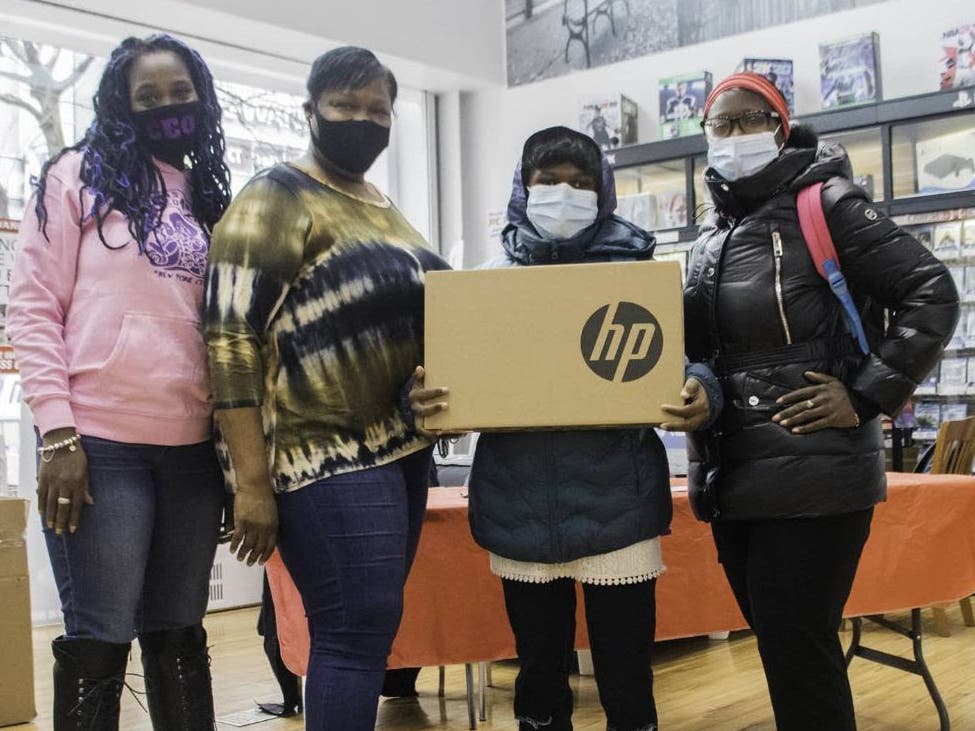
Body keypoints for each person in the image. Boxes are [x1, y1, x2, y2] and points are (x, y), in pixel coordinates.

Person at [412, 126, 722, 731]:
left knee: (627, 672)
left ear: (602, 192)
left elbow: (689, 358)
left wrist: (701, 389)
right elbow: (447, 374)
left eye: (580, 183)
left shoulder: (640, 274)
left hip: (618, 502)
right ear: (522, 188)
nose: (563, 193)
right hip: (519, 506)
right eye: (547, 181)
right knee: (538, 676)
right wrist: (420, 400)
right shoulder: (486, 279)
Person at [684, 72, 959, 730]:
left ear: (780, 127)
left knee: (796, 648)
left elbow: (931, 290)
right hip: (732, 472)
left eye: (750, 119)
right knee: (789, 650)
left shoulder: (825, 204)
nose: (733, 134)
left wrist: (865, 395)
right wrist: (695, 388)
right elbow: (699, 351)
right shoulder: (706, 241)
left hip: (817, 470)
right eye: (719, 124)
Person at [204, 46, 448, 731]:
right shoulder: (275, 195)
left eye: (377, 110)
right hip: (318, 452)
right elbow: (228, 338)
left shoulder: (384, 209)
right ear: (309, 110)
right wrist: (250, 480)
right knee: (351, 628)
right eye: (345, 106)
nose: (362, 121)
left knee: (370, 626)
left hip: (398, 448)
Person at [6, 34, 232, 730]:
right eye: (148, 97)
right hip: (99, 444)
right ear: (120, 106)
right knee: (101, 633)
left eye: (179, 94)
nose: (167, 107)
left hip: (192, 448)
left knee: (179, 633)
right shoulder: (76, 175)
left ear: (200, 101)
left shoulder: (209, 194)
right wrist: (58, 433)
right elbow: (34, 308)